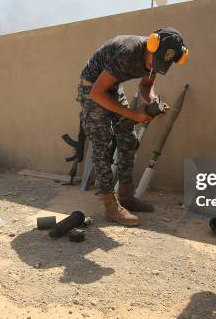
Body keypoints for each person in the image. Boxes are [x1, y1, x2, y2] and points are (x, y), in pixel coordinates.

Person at [77, 28, 189, 226]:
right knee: (102, 143)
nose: (153, 67)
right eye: (154, 61)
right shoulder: (128, 53)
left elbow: (145, 87)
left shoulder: (157, 57)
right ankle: (111, 206)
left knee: (128, 138)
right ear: (151, 45)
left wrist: (154, 102)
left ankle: (126, 195)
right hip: (92, 87)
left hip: (112, 86)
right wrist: (134, 114)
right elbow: (97, 93)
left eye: (162, 64)